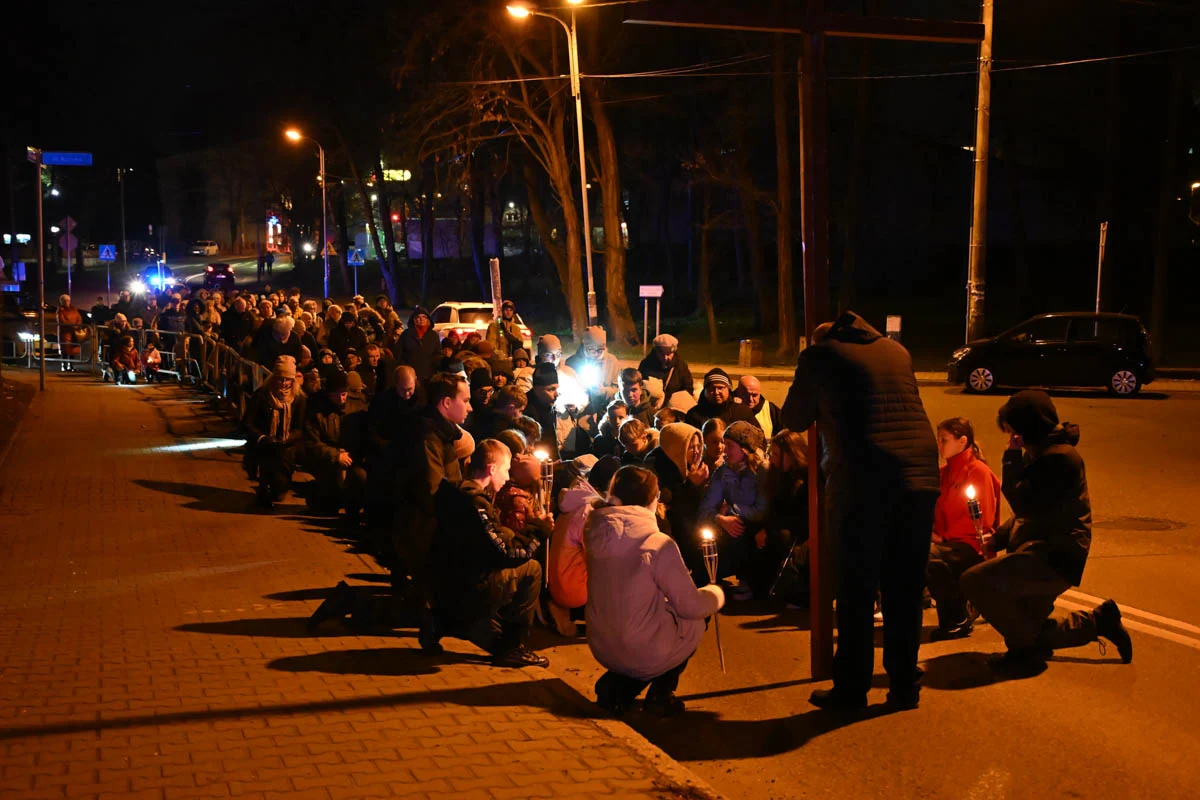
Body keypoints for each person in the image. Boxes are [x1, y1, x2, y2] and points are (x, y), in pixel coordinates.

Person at [780, 311, 940, 711]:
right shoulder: (896, 351)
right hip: (919, 476)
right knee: (904, 588)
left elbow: (793, 417)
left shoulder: (821, 355)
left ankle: (851, 689)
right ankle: (904, 685)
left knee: (856, 589)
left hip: (864, 480)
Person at [961, 391, 1132, 673]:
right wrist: (1000, 537)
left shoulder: (1060, 458)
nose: (1011, 438)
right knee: (1031, 628)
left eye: (1014, 432)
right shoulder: (1043, 452)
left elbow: (1024, 504)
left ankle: (1024, 656)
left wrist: (1011, 458)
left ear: (1027, 427)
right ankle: (1100, 622)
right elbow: (1030, 511)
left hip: (1054, 555)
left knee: (976, 582)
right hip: (1044, 549)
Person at [586, 466, 725, 716]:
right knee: (693, 621)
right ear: (652, 499)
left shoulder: (597, 533)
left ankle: (619, 687)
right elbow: (690, 604)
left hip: (601, 641)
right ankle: (661, 694)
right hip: (639, 647)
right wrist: (715, 593)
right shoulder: (656, 543)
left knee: (649, 627)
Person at [424, 439, 550, 668]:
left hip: (443, 582)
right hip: (469, 586)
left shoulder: (453, 493)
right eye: (505, 469)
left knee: (488, 632)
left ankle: (442, 622)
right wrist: (538, 532)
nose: (507, 475)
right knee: (532, 569)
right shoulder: (475, 502)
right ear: (492, 469)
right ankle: (514, 646)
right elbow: (505, 553)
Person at [926, 417, 1000, 641]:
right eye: (938, 440)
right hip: (948, 542)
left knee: (930, 558)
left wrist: (942, 537)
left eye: (944, 440)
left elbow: (982, 520)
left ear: (962, 441)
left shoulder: (978, 472)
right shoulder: (943, 473)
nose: (939, 445)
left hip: (971, 546)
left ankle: (957, 617)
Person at [698, 421, 770, 598]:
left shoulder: (762, 471)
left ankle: (752, 580)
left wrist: (731, 510)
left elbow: (762, 510)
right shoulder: (723, 473)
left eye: (729, 445)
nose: (723, 449)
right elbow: (705, 509)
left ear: (744, 448)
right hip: (731, 526)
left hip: (759, 527)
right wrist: (720, 519)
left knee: (743, 530)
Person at [648, 422, 709, 584]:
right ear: (677, 448)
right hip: (667, 527)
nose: (696, 451)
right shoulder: (655, 469)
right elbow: (673, 505)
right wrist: (691, 485)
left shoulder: (696, 466)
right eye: (690, 447)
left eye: (698, 446)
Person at [242, 356, 307, 507]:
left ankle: (279, 485)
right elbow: (247, 422)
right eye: (280, 379)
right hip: (264, 443)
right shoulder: (262, 395)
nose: (284, 383)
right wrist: (262, 437)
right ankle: (263, 485)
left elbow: (300, 426)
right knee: (267, 459)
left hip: (286, 445)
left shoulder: (298, 399)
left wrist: (287, 439)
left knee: (280, 486)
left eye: (288, 380)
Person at [301, 372, 368, 517]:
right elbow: (312, 442)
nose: (341, 399)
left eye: (343, 394)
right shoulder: (316, 409)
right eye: (335, 395)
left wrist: (353, 454)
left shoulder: (358, 406)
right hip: (328, 461)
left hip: (353, 459)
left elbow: (365, 437)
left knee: (360, 477)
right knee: (328, 507)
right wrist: (336, 455)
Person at [764, 429, 811, 606]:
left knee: (782, 538)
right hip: (787, 527)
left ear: (791, 454)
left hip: (802, 533)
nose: (772, 458)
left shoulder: (806, 480)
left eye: (776, 454)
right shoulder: (778, 476)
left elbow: (804, 517)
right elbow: (774, 509)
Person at [564, 326, 620, 413]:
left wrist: (604, 391)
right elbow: (565, 391)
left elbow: (619, 391)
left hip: (604, 412)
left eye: (601, 349)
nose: (597, 353)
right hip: (580, 413)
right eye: (592, 349)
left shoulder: (612, 362)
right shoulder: (572, 363)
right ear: (585, 346)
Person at [687, 369, 758, 430]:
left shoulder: (742, 413)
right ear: (704, 391)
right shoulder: (694, 415)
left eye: (720, 388)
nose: (716, 392)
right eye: (711, 388)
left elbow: (759, 438)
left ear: (728, 389)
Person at [637, 333, 694, 399]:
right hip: (651, 404)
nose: (665, 357)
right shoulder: (646, 364)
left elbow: (688, 388)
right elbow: (638, 385)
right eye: (661, 354)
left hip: (673, 404)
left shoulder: (681, 366)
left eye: (668, 354)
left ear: (673, 352)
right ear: (656, 352)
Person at [394, 306, 441, 382]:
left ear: (428, 319)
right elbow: (398, 353)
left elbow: (438, 354)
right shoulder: (406, 334)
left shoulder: (433, 335)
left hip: (429, 375)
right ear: (414, 320)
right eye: (418, 317)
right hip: (410, 375)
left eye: (424, 317)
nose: (421, 319)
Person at [56, 294, 84, 367]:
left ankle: (71, 365)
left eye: (68, 300)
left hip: (73, 333)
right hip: (65, 333)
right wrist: (72, 326)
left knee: (73, 349)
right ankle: (64, 365)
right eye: (64, 301)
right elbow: (61, 321)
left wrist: (77, 326)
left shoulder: (74, 309)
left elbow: (79, 318)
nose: (66, 302)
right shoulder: (60, 310)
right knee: (65, 349)